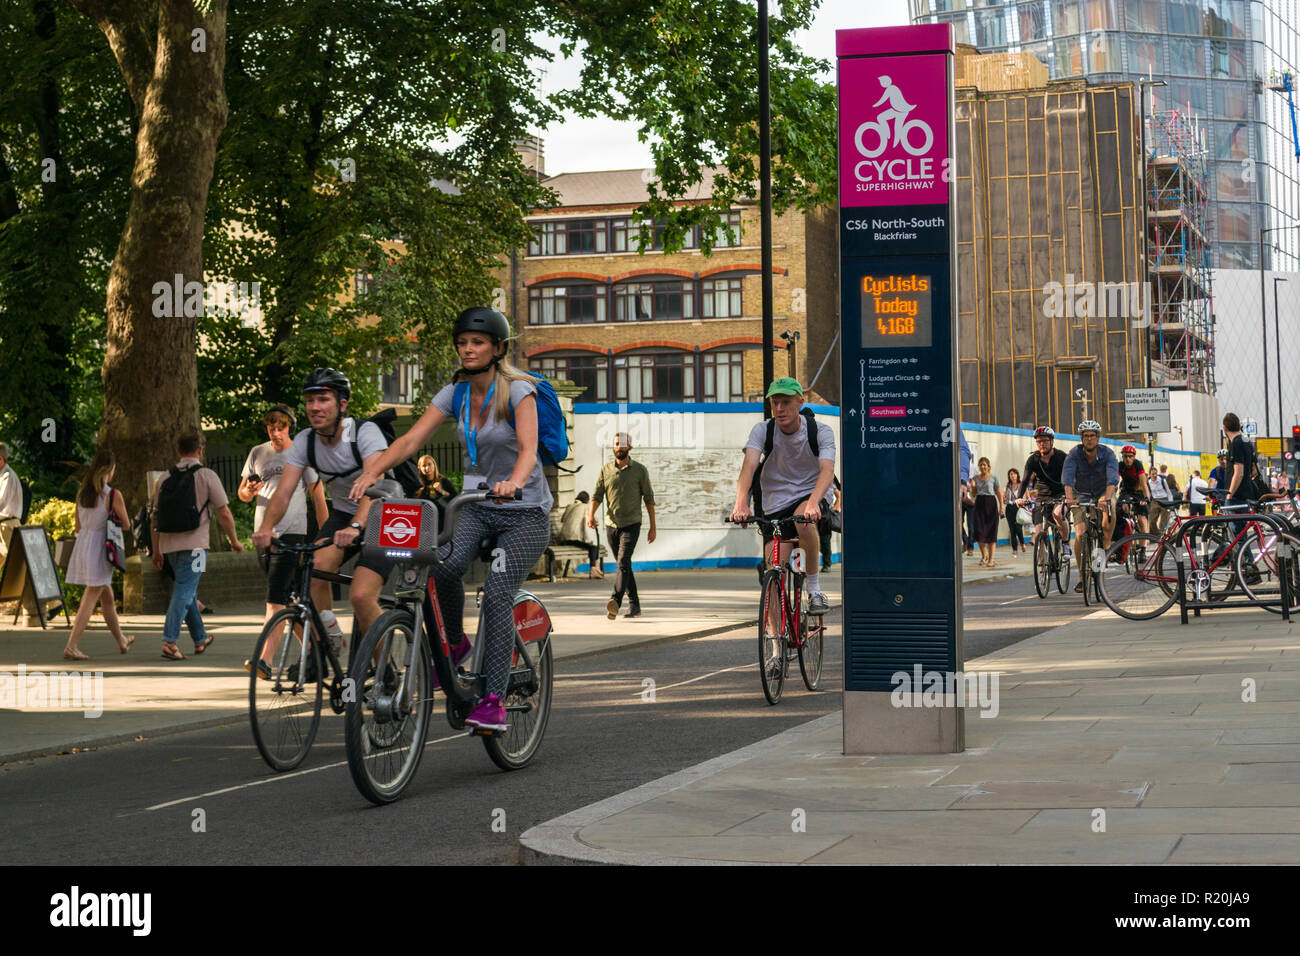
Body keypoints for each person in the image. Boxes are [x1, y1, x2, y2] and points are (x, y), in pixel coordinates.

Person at [349, 307, 552, 733]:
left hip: (524, 512)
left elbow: (530, 451)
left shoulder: (519, 391)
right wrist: (372, 470)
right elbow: (409, 440)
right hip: (476, 506)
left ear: (498, 348)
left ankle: (494, 698)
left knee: (497, 594)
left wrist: (514, 482)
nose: (468, 349)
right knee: (437, 565)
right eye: (462, 343)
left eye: (477, 342)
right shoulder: (455, 393)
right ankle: (457, 644)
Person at [252, 369, 393, 655]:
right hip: (343, 513)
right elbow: (283, 492)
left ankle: (385, 673)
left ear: (342, 404)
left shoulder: (362, 432)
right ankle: (330, 638)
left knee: (361, 596)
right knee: (313, 570)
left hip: (383, 513)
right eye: (310, 400)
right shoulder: (306, 440)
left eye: (323, 399)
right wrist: (266, 527)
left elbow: (373, 484)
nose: (315, 407)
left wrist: (356, 526)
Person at [730, 377, 836, 616]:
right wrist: (741, 503)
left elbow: (827, 470)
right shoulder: (763, 429)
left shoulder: (820, 431)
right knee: (773, 571)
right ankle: (776, 647)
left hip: (811, 492)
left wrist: (812, 503)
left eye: (786, 402)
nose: (779, 408)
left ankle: (814, 590)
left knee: (803, 520)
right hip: (775, 499)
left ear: (800, 402)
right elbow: (749, 466)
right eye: (775, 402)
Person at [239, 404, 329, 675]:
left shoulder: (299, 454)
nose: (276, 432)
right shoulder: (258, 452)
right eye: (271, 427)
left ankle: (264, 660)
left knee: (274, 599)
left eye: (281, 427)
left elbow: (318, 495)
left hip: (292, 534)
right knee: (291, 601)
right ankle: (315, 655)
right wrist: (248, 491)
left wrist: (326, 535)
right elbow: (242, 493)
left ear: (290, 427)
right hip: (263, 535)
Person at [150, 433, 243, 659]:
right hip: (197, 548)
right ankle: (169, 641)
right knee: (185, 589)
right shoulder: (207, 476)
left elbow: (153, 517)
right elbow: (224, 512)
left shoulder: (163, 479)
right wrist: (234, 540)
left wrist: (156, 549)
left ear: (178, 450)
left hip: (169, 545)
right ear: (200, 450)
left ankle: (200, 638)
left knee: (187, 589)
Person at [62, 449, 136, 659]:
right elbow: (127, 525)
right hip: (100, 549)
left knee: (107, 597)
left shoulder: (82, 492)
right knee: (91, 596)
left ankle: (121, 640)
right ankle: (72, 645)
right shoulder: (113, 494)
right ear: (110, 470)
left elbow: (77, 526)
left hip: (84, 544)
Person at [589, 431, 656, 619]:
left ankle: (615, 601)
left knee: (622, 562)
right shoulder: (606, 470)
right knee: (624, 566)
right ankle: (635, 605)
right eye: (616, 443)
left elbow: (649, 499)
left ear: (630, 447)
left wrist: (653, 527)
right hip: (612, 525)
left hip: (632, 523)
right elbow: (597, 495)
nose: (619, 447)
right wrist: (590, 515)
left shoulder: (640, 470)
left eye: (623, 444)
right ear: (613, 447)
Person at [1062, 420, 1118, 593]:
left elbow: (1112, 480)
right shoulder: (1074, 454)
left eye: (1092, 436)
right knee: (1079, 534)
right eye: (1085, 436)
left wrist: (1106, 500)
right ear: (1082, 438)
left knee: (1111, 508)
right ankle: (1081, 576)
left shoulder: (1108, 454)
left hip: (1102, 492)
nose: (1089, 439)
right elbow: (1068, 478)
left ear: (1098, 438)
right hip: (1081, 496)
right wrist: (1070, 499)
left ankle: (1107, 543)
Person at [1018, 426, 1069, 551]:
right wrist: (1019, 497)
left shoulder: (1061, 457)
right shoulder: (1033, 460)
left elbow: (1070, 477)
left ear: (1052, 441)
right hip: (1042, 496)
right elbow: (1024, 480)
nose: (1042, 444)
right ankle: (1042, 559)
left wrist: (1071, 496)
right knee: (1039, 528)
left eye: (1045, 440)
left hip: (1060, 494)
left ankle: (1066, 543)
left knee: (1058, 514)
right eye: (1039, 441)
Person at [558, 491, 603, 579]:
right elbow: (594, 521)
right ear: (587, 500)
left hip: (565, 539)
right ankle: (593, 568)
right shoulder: (585, 507)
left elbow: (563, 519)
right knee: (593, 546)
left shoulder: (570, 506)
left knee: (593, 544)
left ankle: (595, 569)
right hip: (574, 539)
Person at [970, 457, 1003, 567]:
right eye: (981, 465)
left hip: (991, 504)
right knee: (978, 533)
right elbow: (973, 495)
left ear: (988, 466)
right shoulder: (975, 478)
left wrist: (1002, 506)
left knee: (991, 533)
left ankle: (991, 559)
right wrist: (973, 487)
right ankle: (984, 555)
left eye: (984, 464)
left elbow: (999, 492)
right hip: (979, 505)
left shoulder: (994, 478)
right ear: (979, 466)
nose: (983, 467)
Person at [1116, 445, 1150, 535]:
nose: (1127, 459)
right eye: (1125, 456)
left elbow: (1143, 484)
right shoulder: (1120, 465)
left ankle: (1143, 547)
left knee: (1141, 518)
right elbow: (1115, 481)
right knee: (1124, 507)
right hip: (1127, 491)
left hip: (1139, 491)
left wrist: (1146, 497)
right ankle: (1130, 523)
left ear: (1134, 457)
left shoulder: (1137, 464)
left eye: (1130, 456)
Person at [0, 442, 22, 562]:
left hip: (8, 526)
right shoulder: (2, 475)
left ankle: (27, 581)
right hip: (3, 525)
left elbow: (1, 502)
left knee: (14, 563)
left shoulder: (8, 476)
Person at [819, 476, 842, 571]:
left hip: (826, 514)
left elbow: (839, 495)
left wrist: (835, 509)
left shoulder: (830, 479)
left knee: (825, 539)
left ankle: (827, 564)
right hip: (814, 512)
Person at [1004, 467, 1026, 555]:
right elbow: (1005, 498)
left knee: (1018, 528)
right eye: (1011, 474)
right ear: (1009, 476)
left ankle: (1022, 543)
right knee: (1012, 529)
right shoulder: (1008, 486)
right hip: (1009, 508)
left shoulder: (1022, 485)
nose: (1013, 476)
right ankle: (1014, 549)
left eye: (1014, 474)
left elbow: (1026, 497)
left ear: (1017, 475)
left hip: (1019, 508)